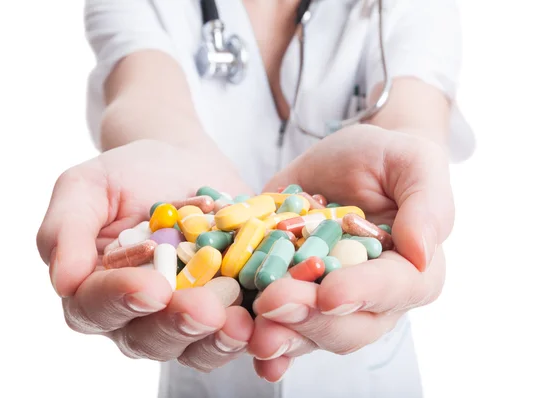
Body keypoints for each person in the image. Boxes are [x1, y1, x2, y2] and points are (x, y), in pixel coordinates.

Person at [36, 0, 474, 396]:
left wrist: (404, 152)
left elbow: (413, 115)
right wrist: (167, 148)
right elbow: (143, 92)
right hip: (208, 362)